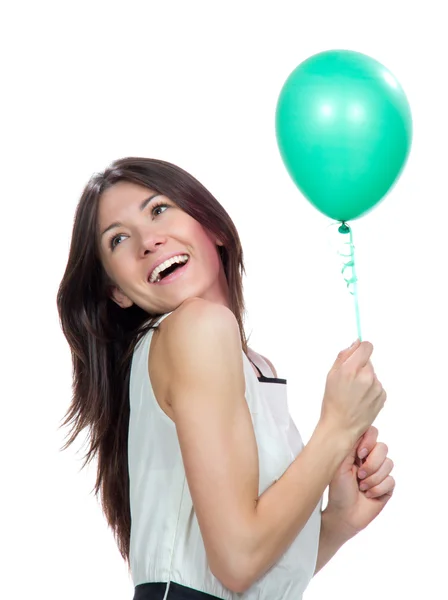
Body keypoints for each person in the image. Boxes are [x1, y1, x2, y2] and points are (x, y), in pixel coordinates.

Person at [57, 157, 395, 600]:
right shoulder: (196, 327)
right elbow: (237, 562)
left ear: (213, 228)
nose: (148, 240)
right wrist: (337, 430)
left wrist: (337, 523)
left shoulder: (253, 366)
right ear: (117, 290)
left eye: (158, 210)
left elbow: (251, 581)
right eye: (118, 239)